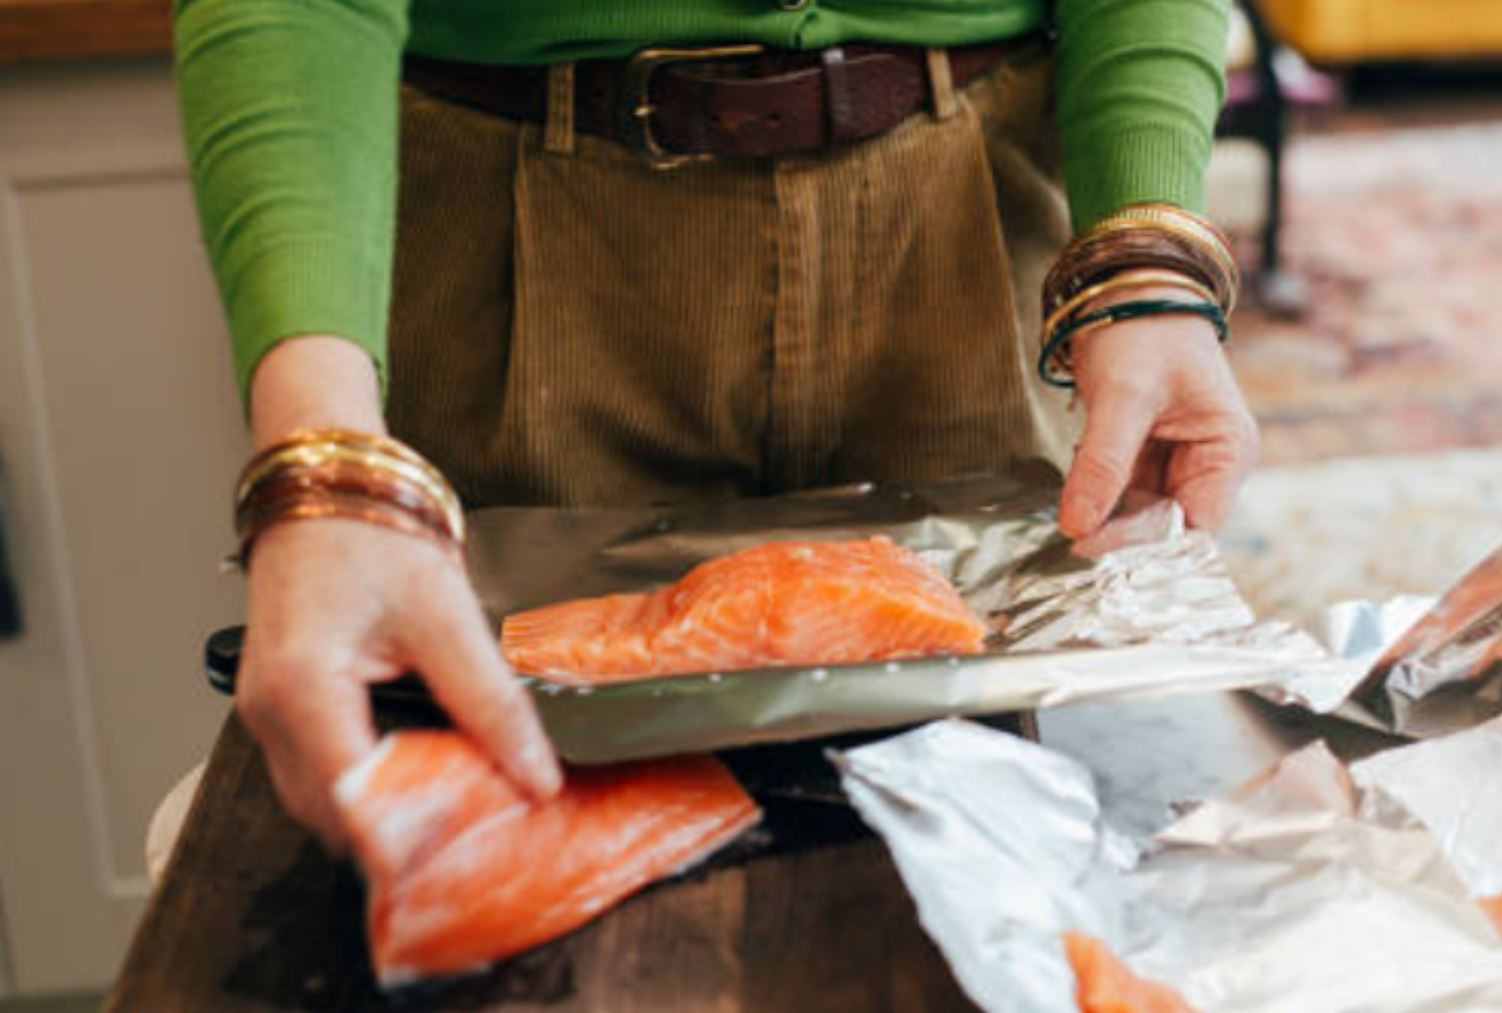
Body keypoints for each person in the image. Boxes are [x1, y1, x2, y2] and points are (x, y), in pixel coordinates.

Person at [174, 0, 1259, 850]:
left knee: (1025, 832)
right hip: (508, 223)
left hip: (963, 217)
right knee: (519, 829)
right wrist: (322, 455)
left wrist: (1148, 259)